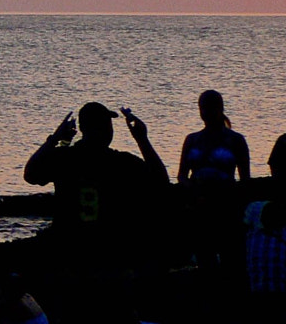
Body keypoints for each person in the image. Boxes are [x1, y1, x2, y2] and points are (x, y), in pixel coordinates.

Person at [22, 102, 168, 323]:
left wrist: (57, 139)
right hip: (110, 260)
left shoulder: (65, 158)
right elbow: (160, 182)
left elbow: (31, 174)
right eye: (109, 125)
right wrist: (142, 139)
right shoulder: (120, 162)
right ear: (103, 129)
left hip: (70, 259)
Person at [178, 89, 251, 283]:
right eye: (203, 108)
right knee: (205, 265)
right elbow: (181, 176)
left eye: (211, 108)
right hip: (199, 211)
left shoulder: (235, 140)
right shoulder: (192, 139)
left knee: (231, 265)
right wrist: (193, 191)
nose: (206, 112)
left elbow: (245, 181)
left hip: (227, 212)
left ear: (220, 109)